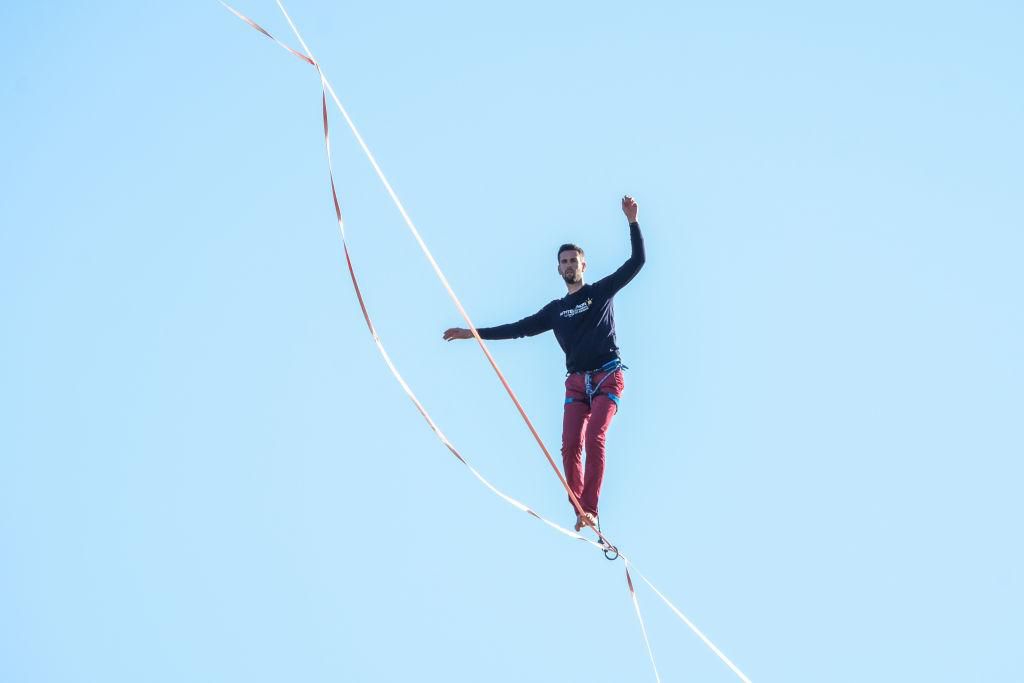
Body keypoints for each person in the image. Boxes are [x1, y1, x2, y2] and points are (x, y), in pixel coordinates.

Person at [443, 196, 646, 532]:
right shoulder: (555, 311)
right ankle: (580, 509)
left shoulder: (600, 292)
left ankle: (592, 508)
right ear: (558, 269)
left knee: (595, 436)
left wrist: (633, 222)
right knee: (569, 447)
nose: (569, 265)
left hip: (607, 375)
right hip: (577, 384)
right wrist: (473, 334)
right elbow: (517, 329)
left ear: (584, 265)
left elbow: (637, 262)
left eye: (574, 260)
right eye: (564, 261)